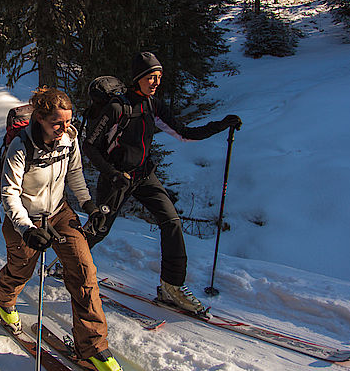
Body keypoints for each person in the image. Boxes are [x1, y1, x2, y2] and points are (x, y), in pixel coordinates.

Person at [82, 52, 242, 315]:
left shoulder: (153, 105)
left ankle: (172, 287)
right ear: (137, 79)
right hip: (117, 179)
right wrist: (112, 173)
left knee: (172, 222)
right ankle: (69, 261)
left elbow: (184, 133)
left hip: (144, 175)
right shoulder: (117, 108)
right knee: (99, 229)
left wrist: (221, 125)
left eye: (158, 77)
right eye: (150, 77)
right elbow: (90, 146)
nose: (155, 82)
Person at [0, 87, 124, 371]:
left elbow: (74, 174)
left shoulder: (69, 139)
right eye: (57, 123)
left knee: (83, 270)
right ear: (39, 118)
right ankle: (1, 296)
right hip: (24, 216)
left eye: (68, 121)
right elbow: (9, 194)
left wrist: (88, 204)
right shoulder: (21, 148)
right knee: (21, 268)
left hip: (59, 213)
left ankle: (92, 347)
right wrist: (27, 229)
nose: (64, 128)